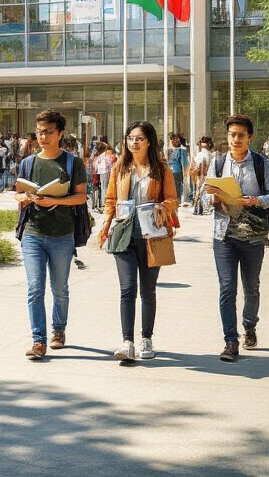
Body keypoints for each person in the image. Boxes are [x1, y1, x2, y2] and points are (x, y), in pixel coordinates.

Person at [98, 121, 178, 361]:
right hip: (124, 234)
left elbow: (173, 199)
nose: (134, 142)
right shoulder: (119, 167)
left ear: (149, 142)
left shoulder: (161, 169)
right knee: (127, 289)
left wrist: (162, 206)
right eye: (130, 138)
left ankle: (146, 339)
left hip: (151, 235)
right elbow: (111, 200)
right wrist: (106, 226)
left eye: (139, 138)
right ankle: (127, 342)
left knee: (148, 290)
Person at [204, 113, 269, 362]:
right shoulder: (217, 163)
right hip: (224, 235)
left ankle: (249, 325)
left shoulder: (261, 164)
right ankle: (230, 340)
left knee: (251, 287)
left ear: (250, 137)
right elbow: (204, 197)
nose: (235, 139)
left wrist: (256, 200)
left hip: (253, 236)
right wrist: (212, 198)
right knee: (227, 288)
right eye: (231, 135)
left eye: (240, 135)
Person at [14, 110, 89, 360]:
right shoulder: (28, 163)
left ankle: (59, 330)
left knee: (59, 289)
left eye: (47, 132)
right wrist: (24, 197)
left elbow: (81, 196)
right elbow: (18, 192)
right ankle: (38, 340)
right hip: (33, 234)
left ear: (60, 134)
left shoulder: (72, 163)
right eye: (39, 131)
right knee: (35, 288)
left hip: (62, 235)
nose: (42, 136)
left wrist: (53, 200)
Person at [191, 136, 216, 215]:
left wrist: (201, 176)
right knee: (202, 192)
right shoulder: (209, 154)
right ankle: (200, 208)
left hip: (203, 176)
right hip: (207, 176)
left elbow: (202, 166)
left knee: (200, 192)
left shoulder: (202, 154)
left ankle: (198, 209)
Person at [166, 133, 188, 207]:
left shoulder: (181, 150)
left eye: (174, 141)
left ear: (178, 141)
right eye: (171, 141)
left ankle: (177, 201)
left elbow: (184, 163)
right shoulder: (172, 151)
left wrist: (185, 174)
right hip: (171, 172)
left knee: (176, 188)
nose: (172, 143)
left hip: (177, 172)